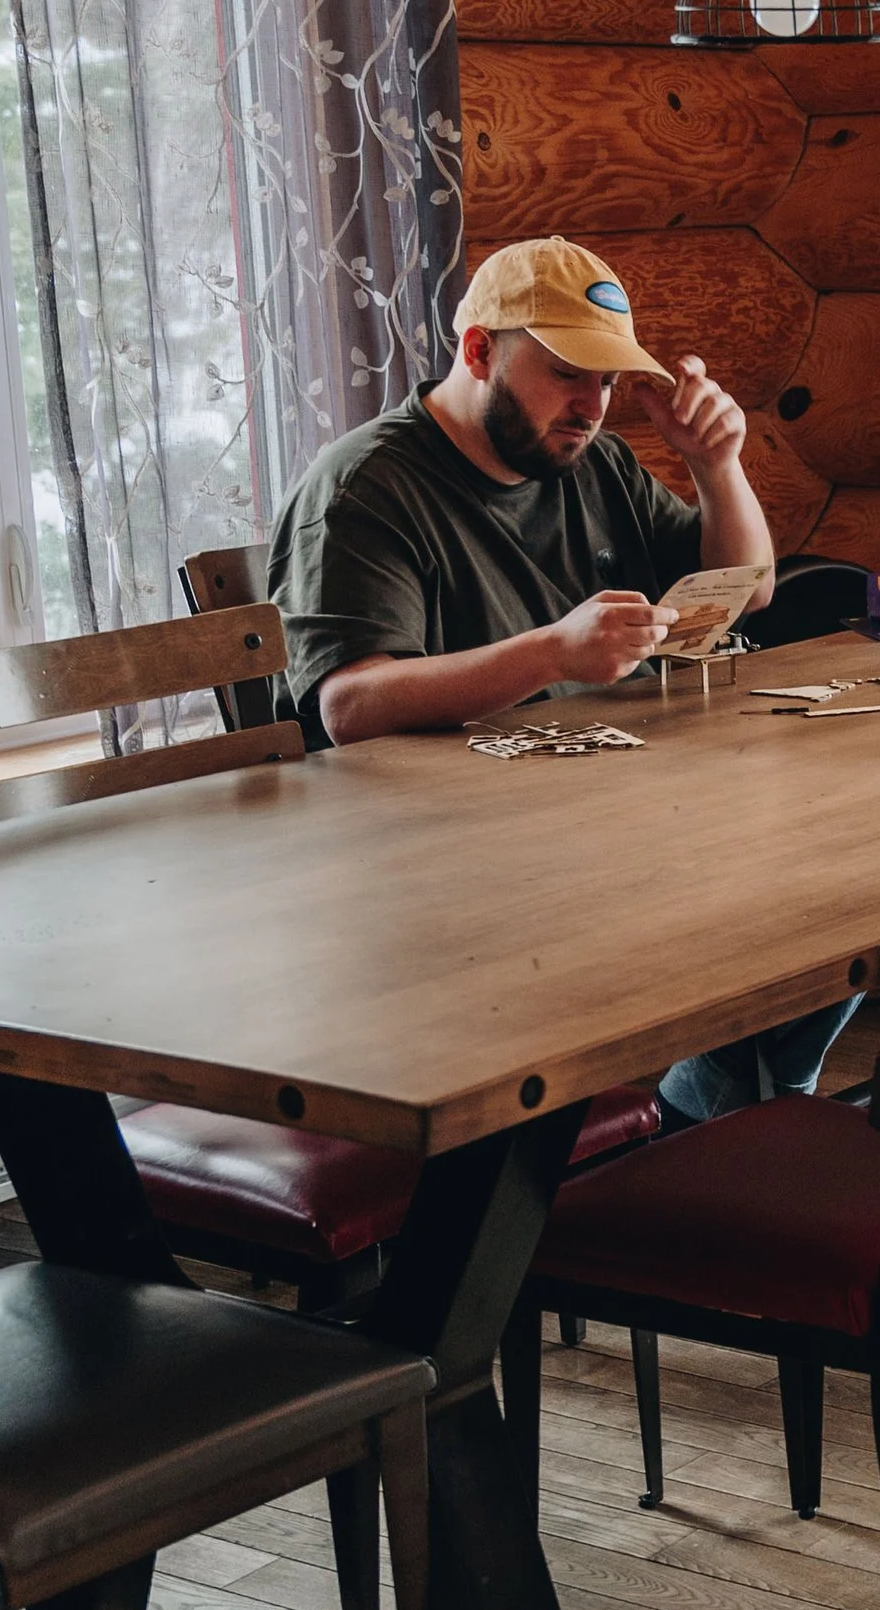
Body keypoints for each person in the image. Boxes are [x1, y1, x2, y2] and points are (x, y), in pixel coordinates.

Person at [271, 233, 847, 1120]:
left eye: (609, 379)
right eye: (567, 372)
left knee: (840, 867)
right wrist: (553, 652)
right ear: (478, 351)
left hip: (597, 819)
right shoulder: (367, 487)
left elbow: (751, 588)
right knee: (794, 884)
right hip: (428, 868)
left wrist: (716, 466)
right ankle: (716, 1125)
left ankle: (727, 1116)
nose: (592, 404)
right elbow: (350, 706)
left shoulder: (590, 461)